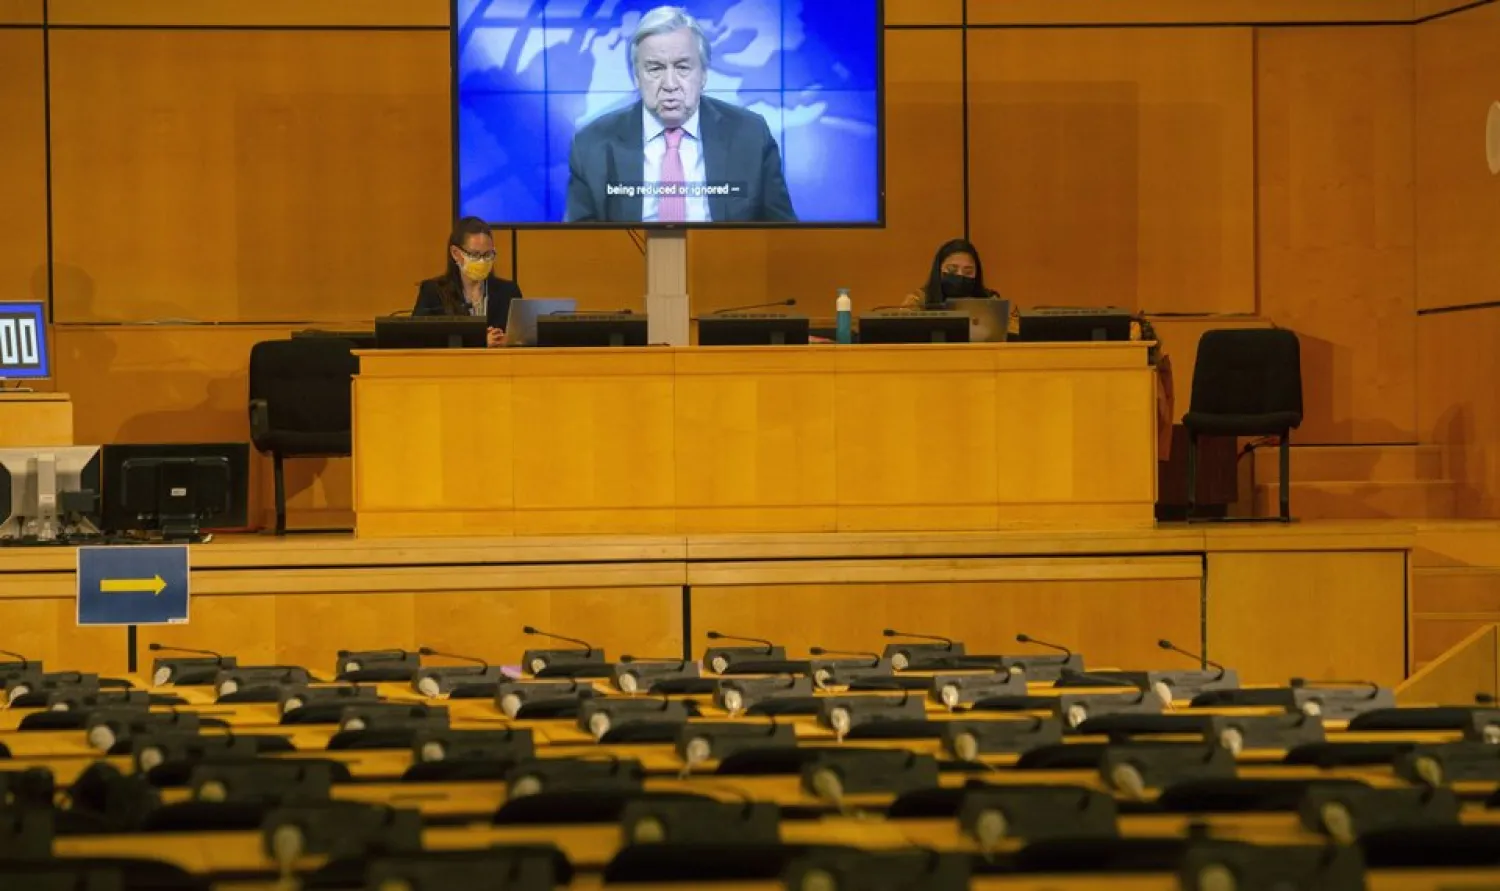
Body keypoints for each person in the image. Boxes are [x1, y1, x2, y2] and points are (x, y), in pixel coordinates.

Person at [564, 6, 797, 224]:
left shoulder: (750, 135)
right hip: (630, 266)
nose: (670, 84)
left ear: (704, 74)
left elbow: (783, 237)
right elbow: (579, 246)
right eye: (655, 68)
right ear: (637, 77)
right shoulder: (592, 144)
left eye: (683, 67)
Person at [413, 218, 522, 348]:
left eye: (487, 254)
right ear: (456, 253)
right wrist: (479, 341)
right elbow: (419, 340)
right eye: (475, 255)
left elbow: (525, 338)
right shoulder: (433, 291)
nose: (482, 261)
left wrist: (510, 342)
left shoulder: (508, 291)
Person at [903, 238, 1021, 338]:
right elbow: (903, 329)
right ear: (939, 269)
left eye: (968, 271)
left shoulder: (990, 301)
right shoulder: (919, 298)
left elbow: (1015, 331)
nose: (960, 275)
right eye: (952, 270)